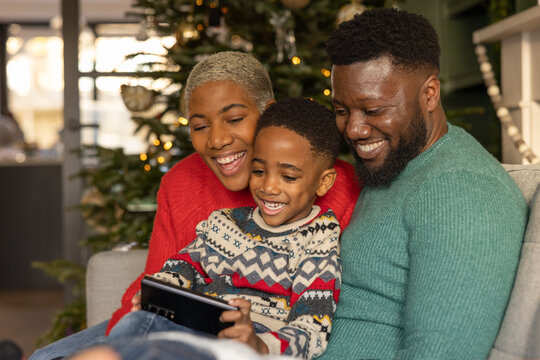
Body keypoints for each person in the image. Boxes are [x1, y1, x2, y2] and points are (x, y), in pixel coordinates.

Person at [30, 52, 360, 360]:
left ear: (267, 113)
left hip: (249, 338)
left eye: (234, 119)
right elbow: (172, 270)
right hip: (178, 322)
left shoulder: (329, 193)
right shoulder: (216, 212)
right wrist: (143, 311)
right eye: (200, 126)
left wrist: (264, 345)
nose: (216, 140)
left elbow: (323, 318)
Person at [318, 8, 528, 359]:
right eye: (342, 110)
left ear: (429, 94)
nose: (353, 130)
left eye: (373, 110)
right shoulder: (393, 164)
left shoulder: (461, 193)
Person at [103, 97, 344, 359]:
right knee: (139, 325)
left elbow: (312, 329)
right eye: (259, 171)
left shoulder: (318, 240)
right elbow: (186, 263)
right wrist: (160, 290)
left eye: (288, 177)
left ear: (324, 182)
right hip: (197, 328)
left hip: (246, 347)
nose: (268, 187)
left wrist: (261, 345)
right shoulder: (227, 223)